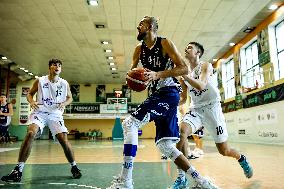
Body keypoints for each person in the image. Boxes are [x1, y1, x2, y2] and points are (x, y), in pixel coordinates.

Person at [107, 16, 217, 189]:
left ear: (150, 27)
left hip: (169, 92)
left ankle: (125, 181)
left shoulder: (164, 43)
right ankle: (201, 181)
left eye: (141, 24)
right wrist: (132, 78)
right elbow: (133, 71)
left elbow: (183, 68)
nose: (138, 27)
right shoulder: (139, 49)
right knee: (166, 146)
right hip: (157, 94)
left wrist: (157, 75)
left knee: (130, 124)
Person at [172, 42, 253, 188]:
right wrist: (171, 102)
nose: (186, 49)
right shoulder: (185, 74)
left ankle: (241, 158)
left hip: (212, 109)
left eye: (190, 47)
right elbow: (184, 98)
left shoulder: (205, 66)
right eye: (186, 47)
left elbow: (201, 85)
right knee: (182, 132)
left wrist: (184, 76)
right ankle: (182, 176)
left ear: (198, 53)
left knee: (224, 150)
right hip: (196, 109)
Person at [1, 58, 82, 182]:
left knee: (63, 140)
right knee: (30, 133)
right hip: (40, 112)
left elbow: (70, 98)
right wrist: (32, 101)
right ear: (50, 67)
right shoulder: (40, 81)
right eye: (55, 65)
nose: (57, 67)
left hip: (55, 114)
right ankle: (18, 170)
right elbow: (29, 94)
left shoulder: (64, 83)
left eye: (59, 65)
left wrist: (64, 103)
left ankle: (74, 167)